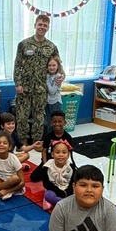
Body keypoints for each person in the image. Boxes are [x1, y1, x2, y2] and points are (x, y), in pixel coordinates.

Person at [13, 14, 63, 144]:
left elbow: (58, 64)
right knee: (22, 115)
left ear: (48, 28)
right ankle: (22, 142)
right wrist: (18, 84)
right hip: (25, 86)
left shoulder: (51, 47)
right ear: (35, 25)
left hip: (41, 87)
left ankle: (37, 142)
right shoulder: (24, 44)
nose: (42, 27)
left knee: (39, 117)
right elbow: (17, 65)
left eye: (45, 25)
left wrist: (62, 76)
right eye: (40, 24)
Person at [29, 110, 72, 183]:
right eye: (55, 122)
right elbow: (44, 150)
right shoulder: (48, 136)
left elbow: (68, 153)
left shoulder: (68, 137)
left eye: (60, 121)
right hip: (49, 161)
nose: (57, 124)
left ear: (64, 122)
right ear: (51, 123)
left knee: (69, 177)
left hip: (61, 162)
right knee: (34, 177)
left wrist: (62, 164)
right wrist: (45, 165)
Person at [38, 139, 77, 211]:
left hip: (68, 190)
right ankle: (65, 205)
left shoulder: (71, 167)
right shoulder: (47, 167)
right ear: (52, 154)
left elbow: (73, 182)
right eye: (57, 152)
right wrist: (59, 192)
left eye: (64, 152)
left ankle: (58, 204)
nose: (61, 155)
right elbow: (46, 184)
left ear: (68, 154)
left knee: (79, 194)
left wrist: (68, 191)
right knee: (48, 195)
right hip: (54, 190)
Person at [45, 55, 64, 131]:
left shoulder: (58, 76)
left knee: (56, 122)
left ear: (58, 66)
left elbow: (52, 91)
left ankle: (57, 139)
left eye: (54, 65)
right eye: (49, 65)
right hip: (48, 102)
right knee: (49, 122)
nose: (51, 67)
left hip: (55, 102)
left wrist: (46, 81)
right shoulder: (48, 75)